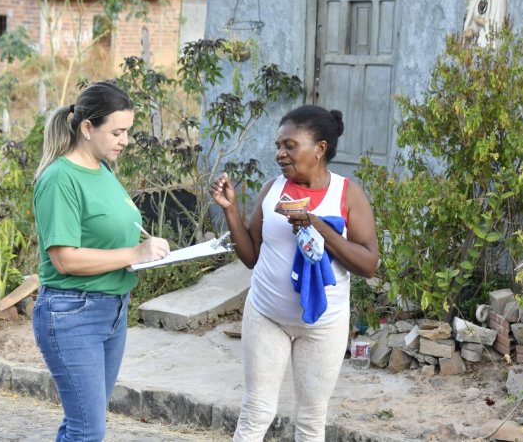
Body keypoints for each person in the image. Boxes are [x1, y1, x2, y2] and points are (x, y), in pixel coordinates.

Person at [210, 105, 379, 441]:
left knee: (311, 420)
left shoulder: (347, 194)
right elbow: (251, 257)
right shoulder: (273, 188)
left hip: (323, 325)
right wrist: (231, 211)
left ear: (320, 149)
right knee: (256, 411)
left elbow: (368, 264)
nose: (280, 154)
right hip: (266, 315)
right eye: (278, 145)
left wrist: (317, 225)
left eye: (290, 146)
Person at [32, 81, 170, 442]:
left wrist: (148, 247)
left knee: (82, 424)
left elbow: (112, 234)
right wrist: (134, 254)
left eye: (128, 131)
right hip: (73, 313)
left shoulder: (104, 170)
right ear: (87, 128)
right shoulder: (60, 179)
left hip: (113, 310)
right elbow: (64, 259)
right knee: (87, 429)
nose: (124, 140)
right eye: (117, 132)